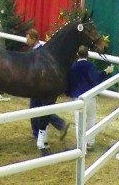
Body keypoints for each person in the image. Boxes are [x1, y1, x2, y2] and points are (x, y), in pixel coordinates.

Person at [26, 28, 70, 156]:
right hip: (35, 85)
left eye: (28, 37)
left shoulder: (40, 51)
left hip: (40, 86)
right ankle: (55, 127)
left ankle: (41, 132)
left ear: (34, 39)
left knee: (37, 109)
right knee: (38, 109)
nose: (26, 40)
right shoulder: (35, 50)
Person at [67, 45, 114, 151]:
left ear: (77, 54)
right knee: (91, 118)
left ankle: (80, 144)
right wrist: (105, 72)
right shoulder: (90, 65)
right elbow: (95, 79)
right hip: (90, 96)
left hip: (77, 97)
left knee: (79, 121)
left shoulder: (73, 66)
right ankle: (90, 142)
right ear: (87, 55)